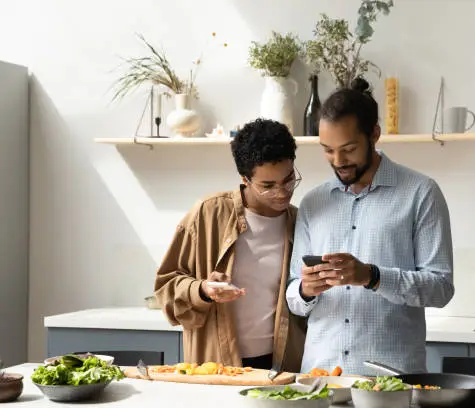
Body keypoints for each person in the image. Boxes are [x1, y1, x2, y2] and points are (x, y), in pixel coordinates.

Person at [286, 78, 455, 376]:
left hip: (391, 380)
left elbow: (440, 289)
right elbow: (293, 298)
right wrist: (305, 290)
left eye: (348, 148)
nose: (338, 161)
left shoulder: (420, 193)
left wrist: (373, 276)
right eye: (327, 150)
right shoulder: (313, 202)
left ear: (374, 134)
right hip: (321, 379)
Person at [155, 118, 306, 372]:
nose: (282, 192)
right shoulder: (208, 213)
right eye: (268, 186)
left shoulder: (300, 222)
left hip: (281, 365)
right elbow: (166, 287)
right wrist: (203, 289)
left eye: (289, 179)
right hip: (217, 363)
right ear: (245, 179)